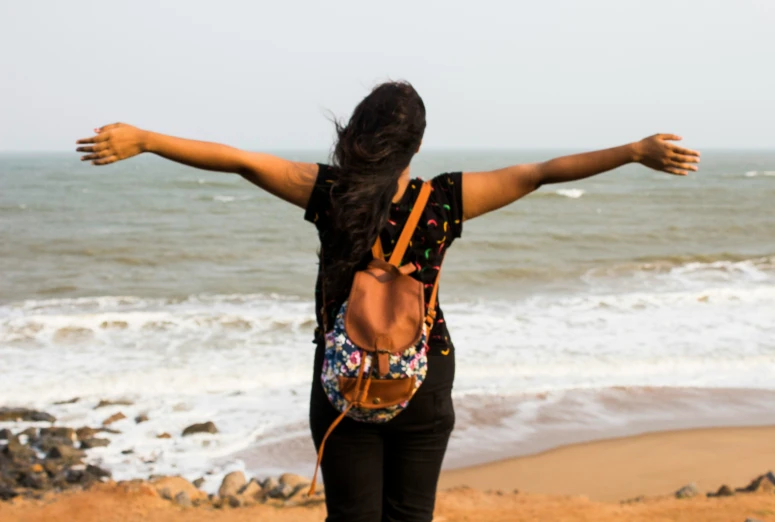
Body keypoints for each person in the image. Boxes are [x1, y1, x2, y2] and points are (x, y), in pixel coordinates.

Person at [75, 81, 700, 522]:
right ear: (416, 147)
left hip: (342, 379)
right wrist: (633, 152)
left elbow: (239, 162)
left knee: (352, 517)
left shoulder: (327, 191)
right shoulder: (448, 199)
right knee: (410, 516)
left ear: (356, 135)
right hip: (423, 378)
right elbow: (541, 172)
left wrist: (146, 139)